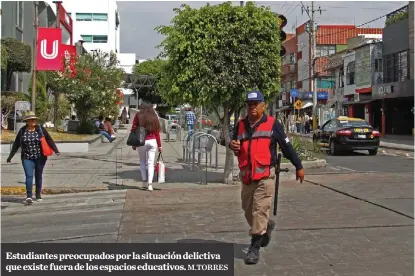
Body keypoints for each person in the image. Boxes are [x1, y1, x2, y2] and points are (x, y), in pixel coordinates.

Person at [230, 90, 305, 265]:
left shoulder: (273, 124)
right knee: (248, 210)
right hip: (247, 175)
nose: (252, 107)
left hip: (265, 175)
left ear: (263, 106)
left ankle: (254, 248)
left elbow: (287, 148)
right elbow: (236, 145)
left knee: (259, 210)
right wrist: (234, 146)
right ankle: (265, 227)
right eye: (249, 104)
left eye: (256, 104)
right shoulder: (240, 125)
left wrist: (299, 166)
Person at [6, 111, 60, 204]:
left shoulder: (41, 129)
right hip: (27, 158)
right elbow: (16, 144)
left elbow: (49, 139)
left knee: (38, 176)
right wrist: (10, 156)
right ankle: (29, 196)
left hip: (40, 157)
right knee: (29, 176)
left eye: (34, 119)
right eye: (31, 120)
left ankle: (38, 194)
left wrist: (56, 150)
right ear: (27, 121)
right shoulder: (22, 131)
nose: (33, 121)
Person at [131, 102, 162, 191]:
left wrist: (134, 143)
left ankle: (144, 182)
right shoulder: (154, 116)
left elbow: (134, 128)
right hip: (152, 141)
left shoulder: (138, 115)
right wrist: (160, 146)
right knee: (150, 163)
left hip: (141, 140)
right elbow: (157, 132)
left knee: (142, 161)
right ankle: (150, 185)